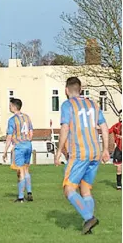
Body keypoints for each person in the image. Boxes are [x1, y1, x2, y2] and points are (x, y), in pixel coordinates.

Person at [55, 77, 110, 234]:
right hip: (95, 152)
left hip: (79, 153)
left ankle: (88, 217)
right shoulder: (93, 104)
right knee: (85, 189)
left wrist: (59, 151)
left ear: (66, 90)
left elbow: (65, 128)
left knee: (68, 189)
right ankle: (89, 226)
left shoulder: (67, 105)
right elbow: (104, 127)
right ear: (80, 89)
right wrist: (106, 149)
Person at [3, 98, 34, 203]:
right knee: (26, 169)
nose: (9, 107)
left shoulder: (12, 120)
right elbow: (31, 133)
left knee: (20, 171)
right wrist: (27, 141)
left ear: (13, 106)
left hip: (19, 147)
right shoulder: (27, 117)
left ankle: (21, 197)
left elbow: (9, 136)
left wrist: (5, 151)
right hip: (28, 145)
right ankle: (29, 193)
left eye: (10, 105)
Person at [108, 111, 122, 190]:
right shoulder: (117, 126)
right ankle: (119, 184)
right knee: (118, 167)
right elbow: (108, 131)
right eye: (120, 115)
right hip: (119, 149)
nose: (120, 116)